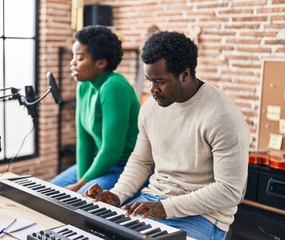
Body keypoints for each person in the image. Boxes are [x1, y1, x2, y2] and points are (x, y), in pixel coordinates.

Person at [83, 31, 250, 240]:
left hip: (203, 216)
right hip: (152, 201)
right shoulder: (151, 107)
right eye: (149, 80)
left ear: (185, 74)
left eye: (160, 81)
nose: (152, 89)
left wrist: (166, 207)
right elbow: (141, 161)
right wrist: (118, 194)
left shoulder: (222, 116)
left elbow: (229, 190)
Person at [51, 25, 140, 194]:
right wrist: (80, 179)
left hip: (125, 167)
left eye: (79, 58)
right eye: (73, 56)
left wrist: (78, 187)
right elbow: (84, 138)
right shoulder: (83, 85)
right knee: (47, 191)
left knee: (78, 200)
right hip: (101, 163)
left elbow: (111, 150)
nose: (72, 63)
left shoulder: (114, 86)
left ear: (100, 63)